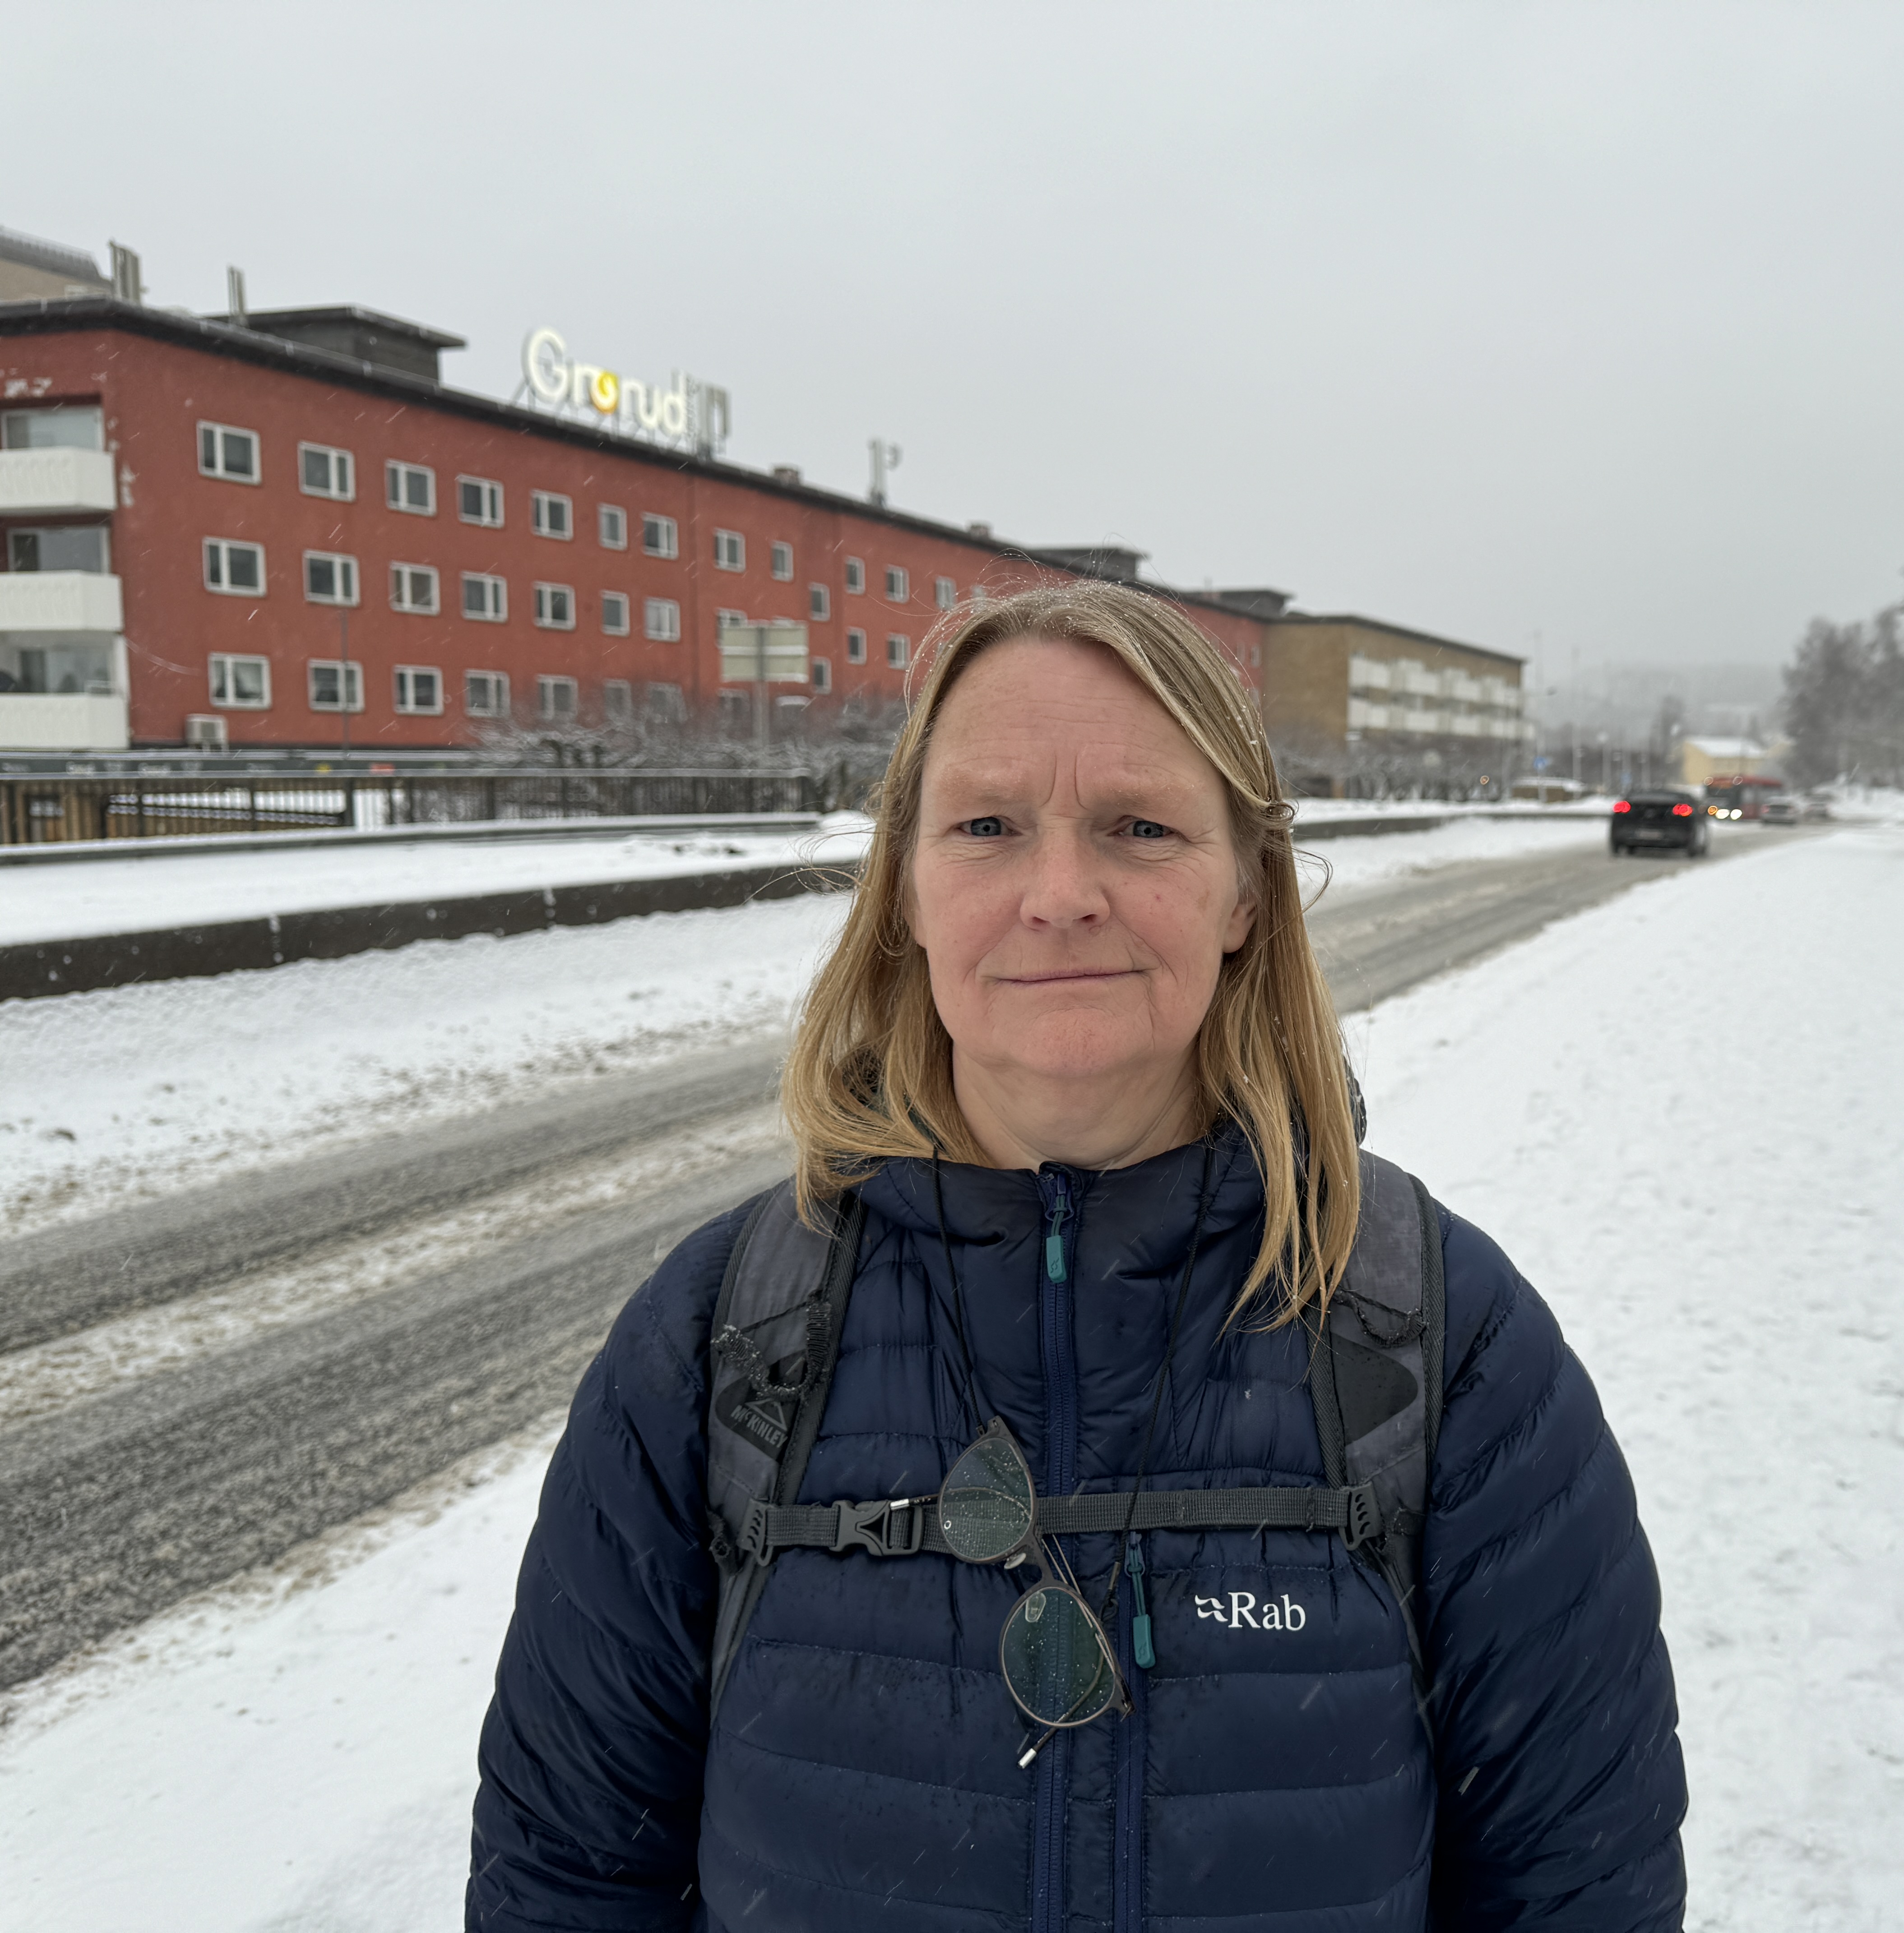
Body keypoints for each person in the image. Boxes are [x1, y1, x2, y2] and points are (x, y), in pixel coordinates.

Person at [468, 582, 1686, 1931]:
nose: (1059, 895)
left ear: (1243, 894)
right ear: (908, 892)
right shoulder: (715, 1344)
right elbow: (566, 1885)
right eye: (988, 826)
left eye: (1140, 827)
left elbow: (1581, 1892)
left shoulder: (1443, 1343)